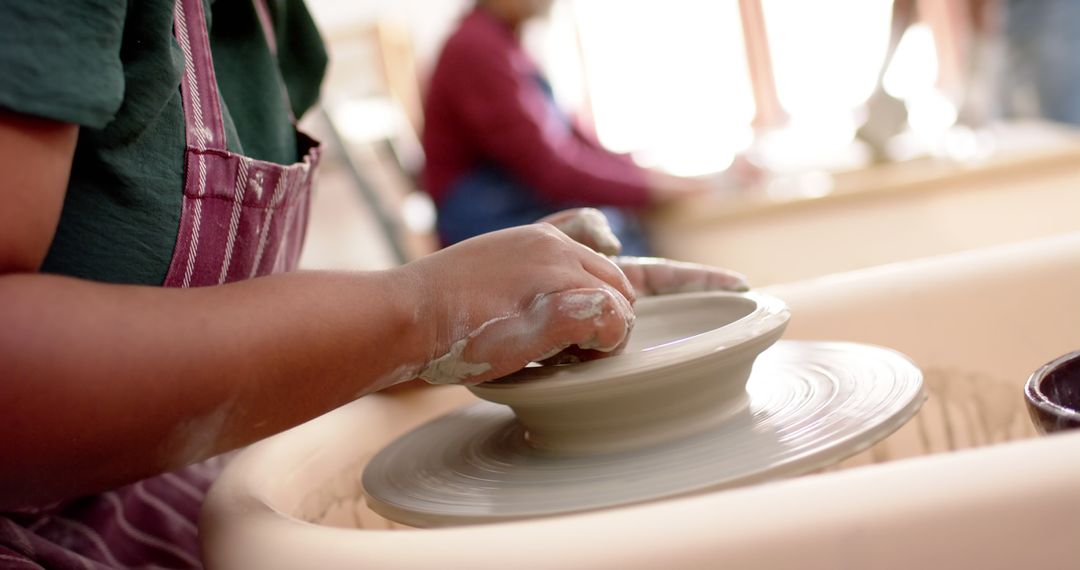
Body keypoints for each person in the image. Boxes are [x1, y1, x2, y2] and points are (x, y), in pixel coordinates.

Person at [0, 0, 749, 567]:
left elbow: (216, 342)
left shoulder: (279, 29)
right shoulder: (476, 49)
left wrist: (499, 303)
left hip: (183, 491)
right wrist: (427, 309)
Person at [421, 0, 724, 256]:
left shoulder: (509, 46)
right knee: (614, 242)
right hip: (487, 227)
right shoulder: (474, 49)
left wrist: (662, 179)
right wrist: (652, 189)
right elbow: (552, 171)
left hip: (516, 208)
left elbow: (578, 141)